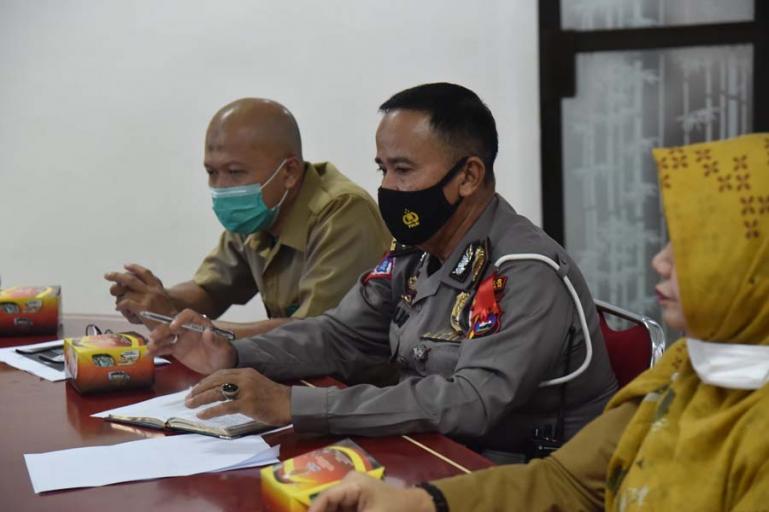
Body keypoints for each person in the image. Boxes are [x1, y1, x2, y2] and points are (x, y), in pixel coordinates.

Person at [148, 83, 617, 457]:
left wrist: (295, 404)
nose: (388, 188)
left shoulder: (523, 271)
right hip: (429, 449)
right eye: (383, 169)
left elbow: (471, 402)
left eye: (403, 170)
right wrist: (232, 354)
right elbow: (339, 335)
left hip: (521, 470)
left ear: (469, 176)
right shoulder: (415, 252)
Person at [308, 132, 769, 511]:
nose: (660, 262)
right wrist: (420, 503)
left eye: (692, 247)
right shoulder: (684, 372)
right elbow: (566, 481)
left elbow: (472, 403)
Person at [105, 98, 391, 338]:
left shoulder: (342, 211)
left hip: (358, 381)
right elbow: (209, 291)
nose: (220, 187)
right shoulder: (260, 212)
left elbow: (313, 335)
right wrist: (154, 299)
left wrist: (186, 326)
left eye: (235, 172)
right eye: (211, 172)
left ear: (289, 172)